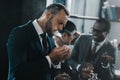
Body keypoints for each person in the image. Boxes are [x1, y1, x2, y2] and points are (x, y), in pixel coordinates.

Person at [7, 3, 70, 80]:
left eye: (63, 25)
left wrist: (55, 77)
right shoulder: (20, 33)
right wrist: (50, 58)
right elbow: (18, 73)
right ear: (48, 15)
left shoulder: (50, 39)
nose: (61, 28)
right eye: (60, 23)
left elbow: (45, 70)